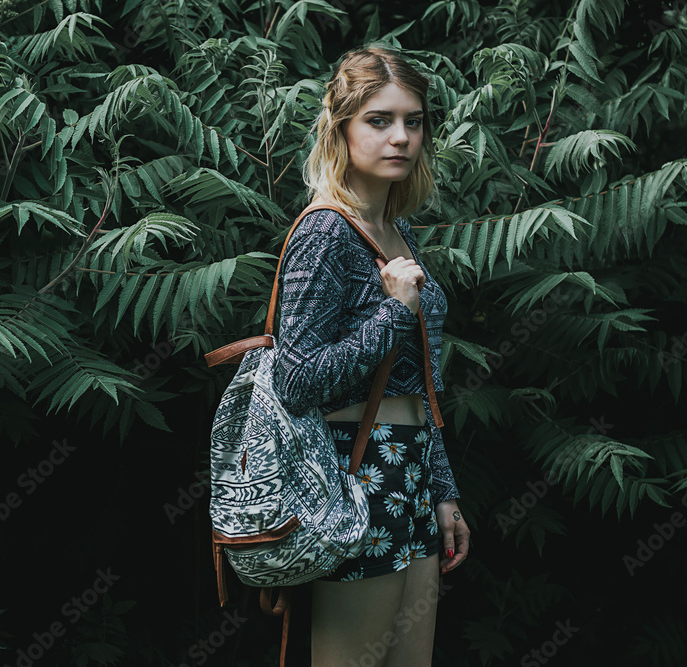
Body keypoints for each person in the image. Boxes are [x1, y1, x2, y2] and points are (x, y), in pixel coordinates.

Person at [273, 46, 471, 665]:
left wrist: (442, 489)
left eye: (413, 121)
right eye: (379, 120)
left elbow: (419, 382)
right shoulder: (326, 231)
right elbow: (295, 380)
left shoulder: (395, 229)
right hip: (358, 475)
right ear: (342, 129)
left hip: (409, 469)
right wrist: (392, 311)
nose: (401, 137)